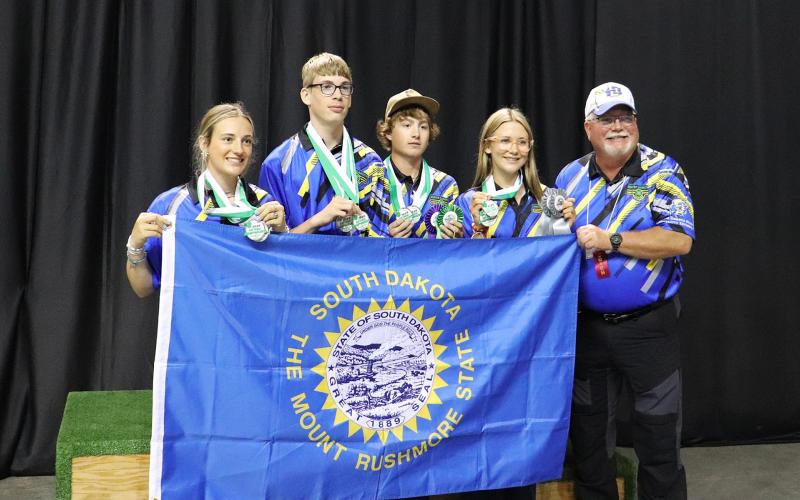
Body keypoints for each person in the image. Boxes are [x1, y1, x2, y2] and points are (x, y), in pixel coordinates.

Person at [554, 82, 694, 499]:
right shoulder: (569, 176)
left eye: (625, 117)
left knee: (658, 440)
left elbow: (679, 240)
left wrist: (610, 239)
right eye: (607, 119)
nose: (618, 127)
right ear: (588, 128)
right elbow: (548, 235)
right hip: (587, 331)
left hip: (648, 330)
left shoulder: (663, 170)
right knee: (591, 443)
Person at [126, 102, 287, 298]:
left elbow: (281, 282)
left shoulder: (265, 205)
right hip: (196, 326)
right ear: (205, 144)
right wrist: (135, 244)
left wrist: (282, 235)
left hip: (251, 325)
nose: (239, 149)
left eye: (246, 141)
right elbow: (143, 288)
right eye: (228, 139)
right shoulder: (172, 205)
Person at [258, 52, 388, 236]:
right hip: (302, 265)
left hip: (359, 265)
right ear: (306, 95)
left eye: (344, 87)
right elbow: (271, 246)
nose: (338, 95)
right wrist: (318, 220)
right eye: (326, 87)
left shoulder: (371, 162)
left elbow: (381, 242)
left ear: (350, 98)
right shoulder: (278, 163)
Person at [456, 107, 575, 239]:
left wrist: (564, 228)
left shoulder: (548, 200)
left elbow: (555, 256)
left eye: (522, 142)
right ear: (487, 146)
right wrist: (479, 229)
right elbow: (465, 258)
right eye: (505, 140)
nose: (514, 150)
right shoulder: (468, 202)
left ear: (530, 147)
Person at [375, 89, 462, 238]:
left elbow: (453, 249)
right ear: (388, 132)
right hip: (386, 261)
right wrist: (385, 238)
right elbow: (358, 239)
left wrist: (457, 235)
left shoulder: (446, 185)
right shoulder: (373, 181)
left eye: (423, 127)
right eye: (407, 125)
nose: (416, 134)